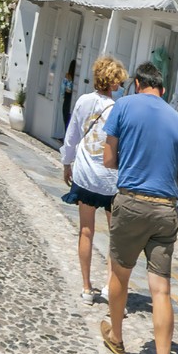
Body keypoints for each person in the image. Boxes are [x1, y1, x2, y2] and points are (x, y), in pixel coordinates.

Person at [100, 61, 178, 354]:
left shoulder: (123, 107)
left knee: (120, 275)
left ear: (138, 83)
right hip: (165, 210)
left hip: (130, 202)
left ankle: (116, 336)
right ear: (163, 89)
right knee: (161, 291)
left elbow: (108, 159)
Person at [61, 55, 125, 302]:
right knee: (115, 236)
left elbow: (72, 134)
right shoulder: (119, 109)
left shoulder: (83, 101)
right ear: (114, 82)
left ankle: (87, 288)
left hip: (86, 175)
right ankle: (110, 287)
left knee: (86, 231)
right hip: (111, 179)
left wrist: (67, 163)